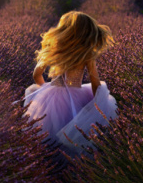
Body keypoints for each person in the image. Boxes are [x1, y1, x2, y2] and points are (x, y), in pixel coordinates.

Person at [22, 11, 118, 158]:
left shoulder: (55, 49)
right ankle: (74, 168)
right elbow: (95, 82)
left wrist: (45, 89)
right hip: (77, 95)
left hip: (52, 94)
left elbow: (36, 74)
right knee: (75, 132)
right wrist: (97, 101)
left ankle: (48, 163)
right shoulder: (86, 54)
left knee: (48, 131)